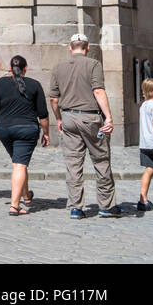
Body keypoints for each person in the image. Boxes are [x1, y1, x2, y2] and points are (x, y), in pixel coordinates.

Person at [47, 33, 119, 219]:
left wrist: (59, 118)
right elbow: (98, 90)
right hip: (90, 118)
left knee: (73, 165)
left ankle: (76, 208)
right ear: (87, 48)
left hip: (69, 117)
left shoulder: (58, 67)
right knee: (101, 161)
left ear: (70, 48)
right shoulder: (93, 64)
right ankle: (106, 206)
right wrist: (109, 118)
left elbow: (54, 98)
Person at [0, 55, 50, 216]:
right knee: (19, 165)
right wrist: (46, 133)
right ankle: (14, 206)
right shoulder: (34, 85)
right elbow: (43, 115)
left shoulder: (0, 84)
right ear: (26, 68)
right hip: (27, 129)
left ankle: (26, 195)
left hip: (4, 130)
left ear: (9, 69)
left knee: (19, 162)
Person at [138, 77, 153, 213]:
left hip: (145, 144)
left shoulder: (144, 105)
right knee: (151, 169)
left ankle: (143, 199)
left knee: (149, 169)